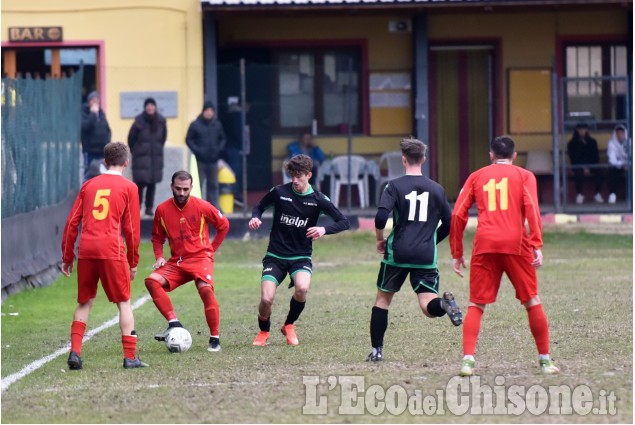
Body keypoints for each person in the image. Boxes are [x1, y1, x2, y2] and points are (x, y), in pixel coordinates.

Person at [450, 135, 559, 376]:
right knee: (531, 300)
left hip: (485, 243)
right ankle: (545, 360)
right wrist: (536, 243)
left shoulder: (476, 176)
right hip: (516, 243)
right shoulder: (524, 176)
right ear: (514, 155)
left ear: (491, 155)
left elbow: (457, 214)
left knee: (476, 304)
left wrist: (457, 252)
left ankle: (468, 360)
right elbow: (532, 208)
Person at [367, 137, 461, 362]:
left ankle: (377, 351)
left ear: (403, 160)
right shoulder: (437, 189)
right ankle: (445, 304)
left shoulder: (394, 186)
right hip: (425, 256)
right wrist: (431, 240)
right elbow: (450, 224)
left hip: (397, 254)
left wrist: (380, 239)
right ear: (424, 159)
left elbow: (381, 217)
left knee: (382, 301)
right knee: (428, 306)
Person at [61, 142, 147, 369]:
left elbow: (71, 223)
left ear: (104, 161)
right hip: (112, 250)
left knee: (85, 301)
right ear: (126, 162)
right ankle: (130, 357)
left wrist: (68, 257)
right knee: (124, 302)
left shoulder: (88, 185)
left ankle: (75, 353)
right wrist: (133, 261)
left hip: (87, 250)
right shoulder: (129, 188)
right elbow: (131, 229)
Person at [249, 154, 350, 346]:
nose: (295, 180)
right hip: (275, 256)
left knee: (302, 289)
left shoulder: (318, 199)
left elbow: (344, 222)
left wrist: (323, 229)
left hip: (301, 257)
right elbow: (259, 206)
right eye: (292, 176)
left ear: (309, 175)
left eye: (299, 176)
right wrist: (256, 217)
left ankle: (289, 325)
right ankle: (263, 331)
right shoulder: (279, 192)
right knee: (266, 299)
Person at [145, 170, 230, 352]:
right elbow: (157, 237)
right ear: (171, 187)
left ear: (191, 187)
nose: (182, 193)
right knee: (152, 281)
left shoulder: (203, 206)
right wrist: (159, 256)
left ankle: (214, 338)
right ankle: (174, 323)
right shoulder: (162, 209)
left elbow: (224, 225)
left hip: (200, 258)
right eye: (178, 189)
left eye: (185, 189)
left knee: (206, 290)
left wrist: (211, 250)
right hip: (177, 261)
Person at [127, 97, 168, 217]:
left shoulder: (161, 122)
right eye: (148, 106)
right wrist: (137, 151)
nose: (150, 108)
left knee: (152, 184)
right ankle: (137, 208)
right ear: (145, 108)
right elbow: (131, 139)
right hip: (141, 159)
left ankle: (149, 208)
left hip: (155, 158)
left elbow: (162, 139)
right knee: (139, 185)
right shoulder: (138, 122)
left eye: (152, 105)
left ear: (155, 107)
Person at [186, 101, 227, 207]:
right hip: (200, 160)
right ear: (203, 111)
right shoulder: (195, 125)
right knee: (198, 185)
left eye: (211, 111)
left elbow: (223, 139)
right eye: (207, 110)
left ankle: (213, 207)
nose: (209, 113)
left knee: (213, 185)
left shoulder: (217, 125)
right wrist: (197, 150)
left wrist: (218, 150)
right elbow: (188, 139)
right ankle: (196, 206)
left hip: (213, 160)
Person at [567, 122, 603, 204]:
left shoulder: (592, 142)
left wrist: (589, 167)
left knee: (599, 171)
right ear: (576, 130)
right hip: (578, 165)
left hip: (591, 165)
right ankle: (580, 194)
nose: (582, 131)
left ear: (587, 130)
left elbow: (596, 157)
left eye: (584, 129)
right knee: (578, 172)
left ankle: (597, 194)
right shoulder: (572, 143)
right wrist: (583, 167)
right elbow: (573, 158)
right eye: (580, 130)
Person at [80, 91, 111, 182]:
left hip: (102, 150)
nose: (95, 102)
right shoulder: (84, 113)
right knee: (89, 173)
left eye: (97, 99)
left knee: (103, 173)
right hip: (90, 151)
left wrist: (107, 141)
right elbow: (85, 126)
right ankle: (87, 192)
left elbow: (107, 129)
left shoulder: (101, 114)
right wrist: (93, 114)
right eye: (92, 100)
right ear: (89, 102)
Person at [223, 98, 248, 205]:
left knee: (230, 171)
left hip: (227, 147)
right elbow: (238, 132)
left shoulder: (227, 115)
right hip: (234, 147)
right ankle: (236, 195)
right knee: (236, 171)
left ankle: (232, 195)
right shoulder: (238, 116)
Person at [606, 124, 630, 204]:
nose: (620, 135)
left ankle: (630, 196)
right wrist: (622, 164)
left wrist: (628, 164)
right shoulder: (611, 143)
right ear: (615, 134)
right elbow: (612, 159)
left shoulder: (629, 143)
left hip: (629, 167)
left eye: (622, 133)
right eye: (618, 133)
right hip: (617, 167)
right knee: (611, 171)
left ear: (625, 133)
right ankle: (612, 194)